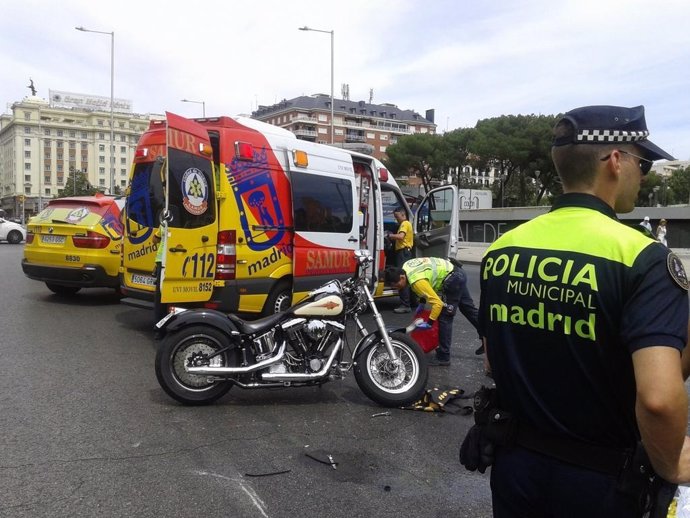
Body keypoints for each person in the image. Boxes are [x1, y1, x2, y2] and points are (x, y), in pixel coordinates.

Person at [466, 105, 690, 517]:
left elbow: (494, 361)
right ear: (615, 161)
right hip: (601, 482)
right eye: (643, 163)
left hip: (516, 468)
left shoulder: (502, 250)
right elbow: (658, 399)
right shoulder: (643, 258)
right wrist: (671, 462)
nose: (644, 176)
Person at [385, 257, 479, 366]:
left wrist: (429, 323)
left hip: (453, 279)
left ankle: (444, 357)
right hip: (457, 272)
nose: (398, 289)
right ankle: (488, 337)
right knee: (468, 308)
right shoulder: (406, 267)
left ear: (402, 277)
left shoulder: (416, 281)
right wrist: (422, 302)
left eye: (397, 285)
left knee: (445, 317)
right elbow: (427, 282)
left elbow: (437, 303)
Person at [388, 206, 414, 313]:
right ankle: (412, 302)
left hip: (403, 253)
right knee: (407, 277)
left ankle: (405, 304)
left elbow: (400, 237)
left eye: (397, 216)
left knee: (401, 278)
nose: (396, 219)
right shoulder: (404, 224)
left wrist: (389, 235)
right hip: (404, 252)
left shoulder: (405, 223)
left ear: (403, 214)